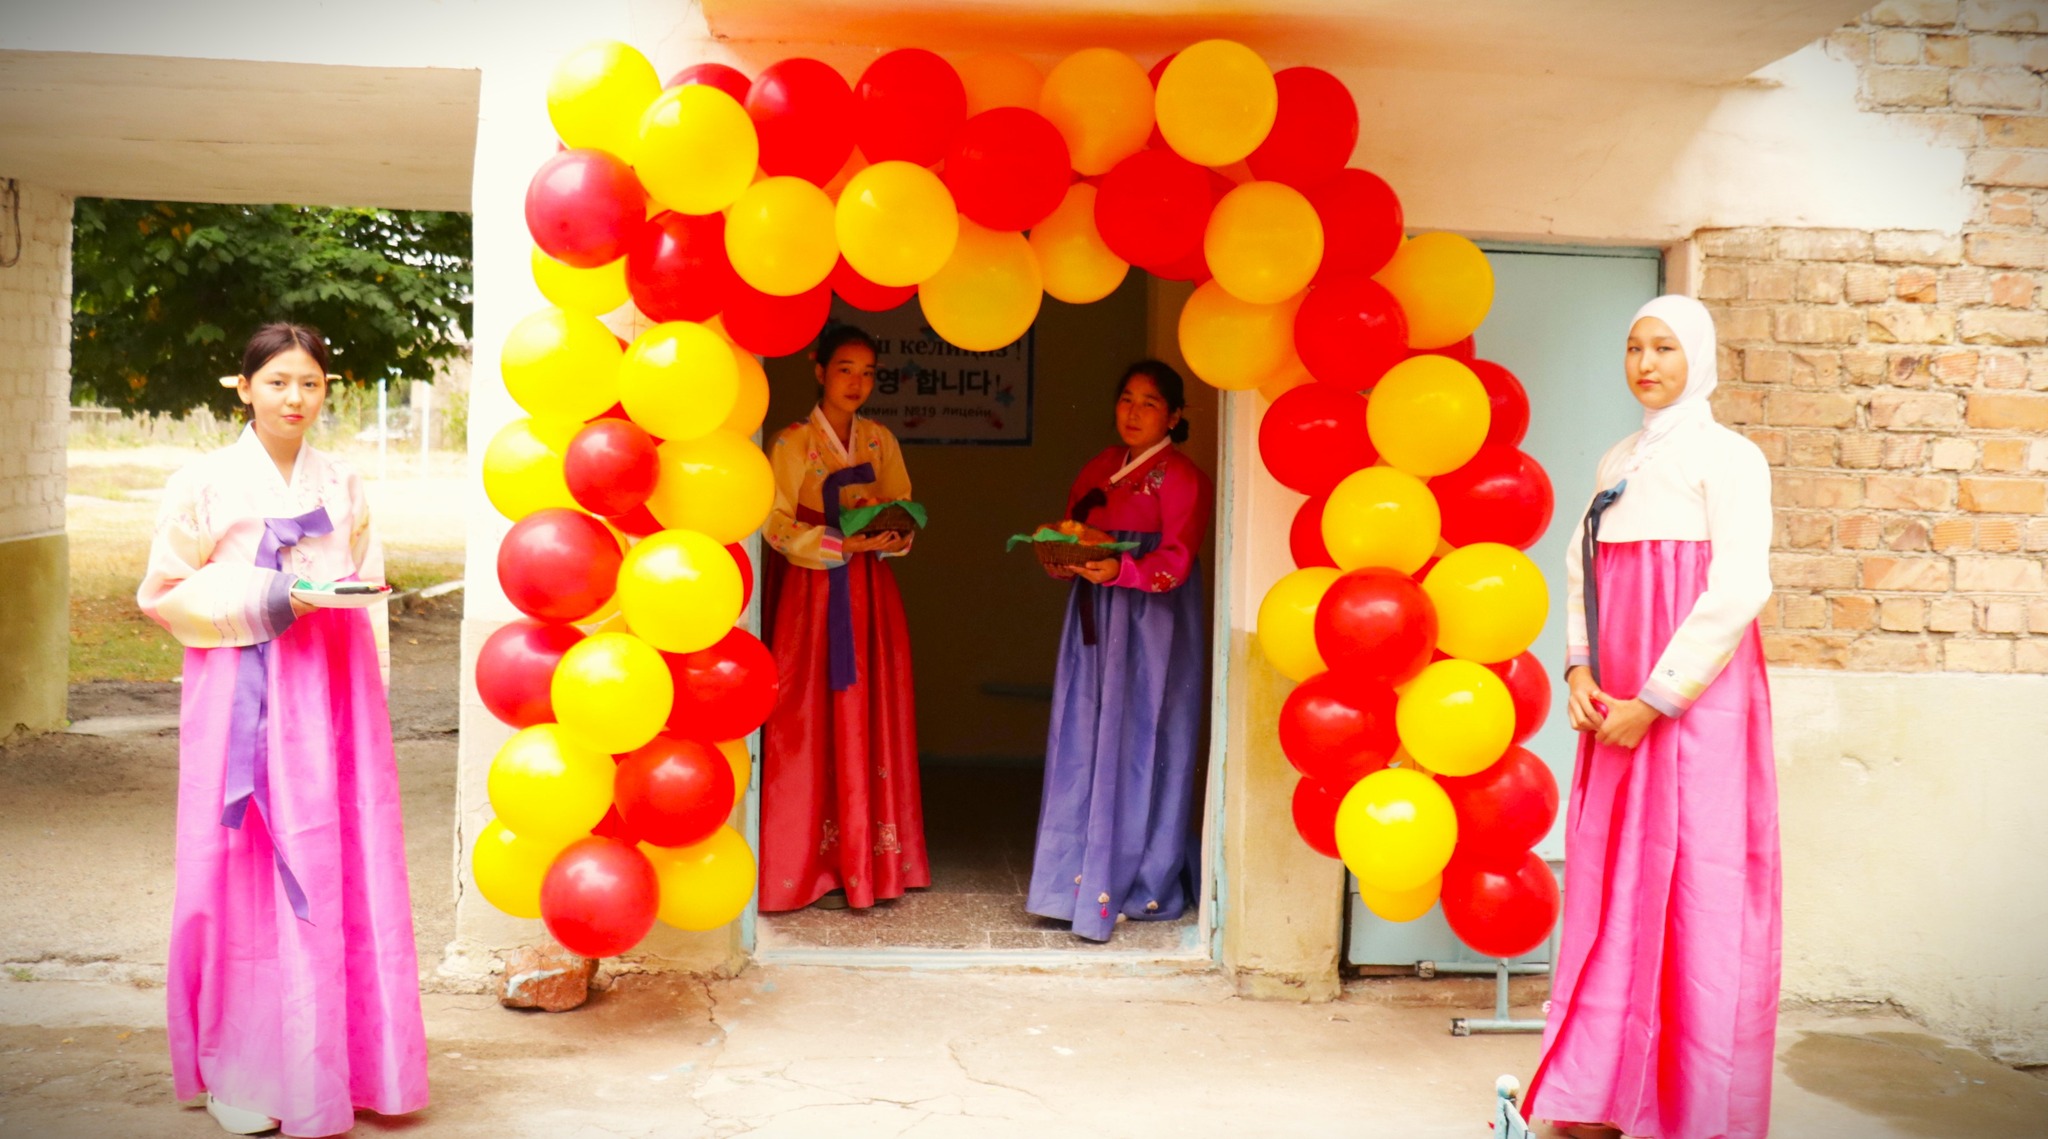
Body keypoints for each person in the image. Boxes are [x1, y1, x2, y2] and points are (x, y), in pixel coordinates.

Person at [139, 324, 427, 1137]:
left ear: (326, 391)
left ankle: (350, 1063)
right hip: (240, 689)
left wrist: (345, 608)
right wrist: (268, 594)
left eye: (310, 383)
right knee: (239, 863)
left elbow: (363, 577)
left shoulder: (343, 482)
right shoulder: (203, 483)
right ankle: (240, 1065)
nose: (294, 398)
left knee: (342, 858)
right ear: (244, 388)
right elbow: (164, 589)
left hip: (332, 689)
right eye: (277, 382)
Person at [1525, 296, 1779, 1139]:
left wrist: (1656, 700)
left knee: (1695, 886)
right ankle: (1599, 1093)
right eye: (1635, 347)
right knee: (1617, 885)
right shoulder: (1618, 459)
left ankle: (1685, 1104)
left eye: (1665, 347)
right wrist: (1579, 669)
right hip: (1617, 702)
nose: (1646, 363)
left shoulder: (1730, 459)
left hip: (1696, 707)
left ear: (1696, 356)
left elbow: (1738, 587)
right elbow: (1582, 571)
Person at [1026, 360, 1213, 942]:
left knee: (1142, 739)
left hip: (1152, 625)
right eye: (1126, 399)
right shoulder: (1099, 467)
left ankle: (1138, 881)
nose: (1133, 412)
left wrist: (1123, 570)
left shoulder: (1182, 477)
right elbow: (1072, 531)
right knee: (1082, 735)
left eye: (1150, 403)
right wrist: (1063, 558)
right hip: (1093, 618)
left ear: (1174, 417)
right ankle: (1068, 883)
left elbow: (1176, 560)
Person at [758, 324, 929, 912]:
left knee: (867, 710)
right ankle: (806, 862)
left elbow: (903, 510)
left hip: (867, 593)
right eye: (845, 370)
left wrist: (888, 533)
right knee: (805, 714)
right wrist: (838, 543)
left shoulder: (880, 441)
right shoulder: (790, 442)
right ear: (819, 371)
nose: (857, 383)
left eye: (868, 373)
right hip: (811, 593)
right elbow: (774, 524)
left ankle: (869, 861)